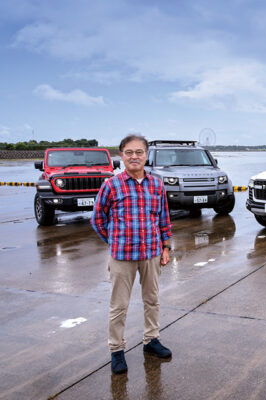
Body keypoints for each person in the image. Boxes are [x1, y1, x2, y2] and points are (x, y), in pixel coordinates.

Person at [91, 134, 173, 374]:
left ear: (147, 155)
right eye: (129, 152)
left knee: (152, 300)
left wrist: (165, 247)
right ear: (121, 156)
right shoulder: (111, 185)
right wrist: (114, 240)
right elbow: (97, 218)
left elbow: (163, 219)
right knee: (119, 306)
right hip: (122, 257)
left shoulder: (157, 184)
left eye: (139, 152)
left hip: (151, 254)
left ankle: (151, 341)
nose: (134, 156)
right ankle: (116, 350)